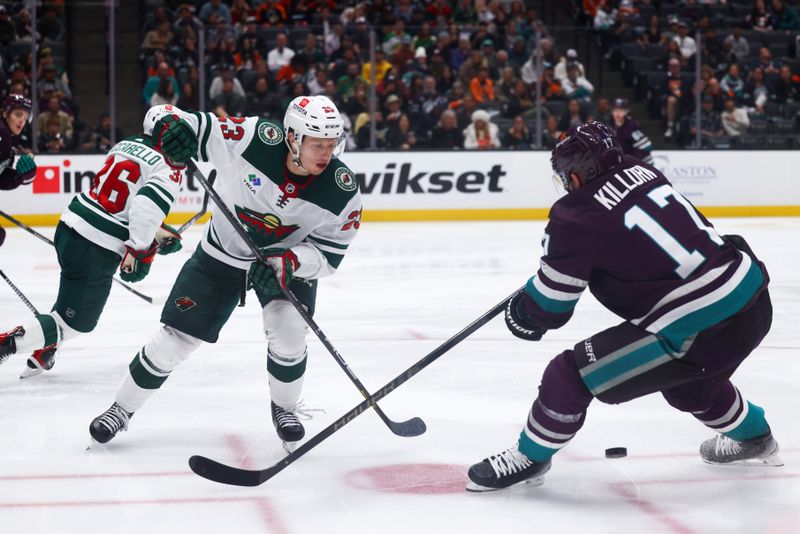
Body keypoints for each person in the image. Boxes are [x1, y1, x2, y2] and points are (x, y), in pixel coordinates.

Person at [466, 121, 780, 492]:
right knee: (691, 388)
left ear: (577, 175)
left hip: (694, 328)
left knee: (568, 375)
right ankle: (755, 437)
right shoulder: (645, 171)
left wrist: (522, 313)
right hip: (752, 299)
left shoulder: (574, 216)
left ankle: (530, 457)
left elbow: (551, 307)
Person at [87, 96, 362, 453]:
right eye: (317, 144)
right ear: (292, 138)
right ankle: (120, 410)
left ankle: (285, 408)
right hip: (221, 255)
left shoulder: (342, 190)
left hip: (281, 265)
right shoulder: (254, 137)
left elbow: (328, 254)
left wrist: (289, 263)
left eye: (331, 144)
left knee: (290, 333)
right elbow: (172, 117)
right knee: (176, 339)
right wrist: (169, 126)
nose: (326, 153)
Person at [0, 106, 187, 377]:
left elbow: (126, 202)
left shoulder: (127, 144)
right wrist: (141, 251)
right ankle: (8, 343)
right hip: (95, 246)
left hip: (70, 227)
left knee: (69, 303)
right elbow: (144, 210)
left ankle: (45, 351)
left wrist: (156, 232)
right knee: (77, 323)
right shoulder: (168, 166)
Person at [0, 94, 37, 248]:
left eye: (26, 116)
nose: (22, 120)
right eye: (18, 114)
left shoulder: (7, 138)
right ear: (5, 114)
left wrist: (20, 176)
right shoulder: (2, 133)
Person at [610, 98, 653, 164]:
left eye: (621, 110)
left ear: (626, 111)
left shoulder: (631, 126)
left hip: (638, 165)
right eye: (615, 110)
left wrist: (634, 162)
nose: (617, 113)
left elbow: (647, 146)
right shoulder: (610, 125)